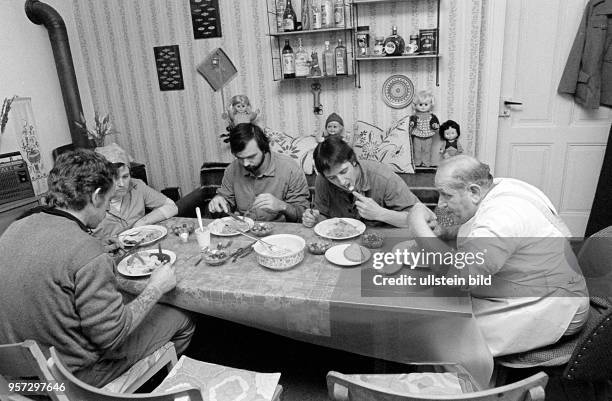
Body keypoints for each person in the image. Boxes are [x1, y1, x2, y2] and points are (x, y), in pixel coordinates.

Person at [0, 149, 194, 387]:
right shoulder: (86, 250)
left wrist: (98, 250)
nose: (105, 213)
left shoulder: (14, 227)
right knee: (182, 318)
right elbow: (113, 336)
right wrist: (156, 288)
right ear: (96, 196)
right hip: (75, 378)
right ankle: (148, 385)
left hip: (19, 377)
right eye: (108, 202)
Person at [407, 155, 589, 357]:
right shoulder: (499, 186)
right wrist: (447, 228)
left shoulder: (502, 217)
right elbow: (475, 222)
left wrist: (417, 227)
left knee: (444, 333)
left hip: (555, 305)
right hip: (532, 283)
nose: (440, 204)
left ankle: (469, 384)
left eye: (445, 195)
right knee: (443, 311)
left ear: (474, 191)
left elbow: (459, 276)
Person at [303, 136, 420, 227]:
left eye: (344, 171)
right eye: (332, 178)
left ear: (353, 161)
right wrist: (315, 218)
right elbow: (323, 215)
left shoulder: (384, 177)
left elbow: (423, 221)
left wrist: (380, 213)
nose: (342, 182)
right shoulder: (322, 180)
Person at [208, 123, 310, 222]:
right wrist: (218, 202)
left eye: (251, 157)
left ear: (264, 148)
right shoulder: (232, 170)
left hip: (280, 234)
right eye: (240, 158)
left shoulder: (291, 169)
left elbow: (303, 215)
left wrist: (282, 206)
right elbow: (225, 206)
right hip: (244, 231)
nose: (245, 164)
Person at [93, 144, 178, 238]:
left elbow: (171, 206)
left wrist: (141, 223)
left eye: (125, 176)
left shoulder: (136, 185)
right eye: (115, 178)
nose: (122, 184)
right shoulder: (90, 199)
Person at [409, 89, 439, 167]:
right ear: (415, 105)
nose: (423, 107)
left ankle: (426, 163)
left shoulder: (432, 116)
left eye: (426, 104)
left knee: (427, 150)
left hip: (428, 136)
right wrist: (412, 124)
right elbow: (412, 123)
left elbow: (435, 123)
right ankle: (417, 163)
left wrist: (435, 125)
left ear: (430, 105)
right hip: (417, 135)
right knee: (417, 150)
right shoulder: (415, 116)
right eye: (420, 104)